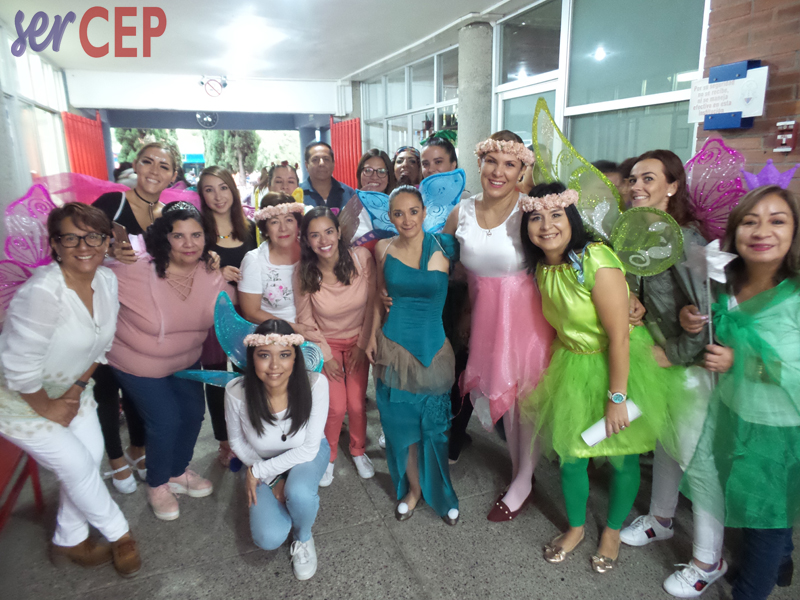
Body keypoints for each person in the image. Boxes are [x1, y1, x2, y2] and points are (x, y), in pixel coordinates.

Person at [518, 182, 684, 572]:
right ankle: (576, 528)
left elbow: (619, 337)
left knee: (623, 458)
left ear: (572, 218)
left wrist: (617, 398)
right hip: (572, 365)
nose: (546, 226)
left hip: (619, 365)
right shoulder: (542, 267)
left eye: (556, 215)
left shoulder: (595, 258)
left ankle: (612, 531)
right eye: (536, 217)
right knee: (572, 457)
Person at [0, 203, 141, 577]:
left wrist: (77, 388)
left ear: (106, 241)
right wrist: (48, 408)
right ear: (55, 244)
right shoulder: (42, 292)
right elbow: (17, 369)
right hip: (17, 400)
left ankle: (70, 538)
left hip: (72, 388)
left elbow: (100, 345)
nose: (84, 246)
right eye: (71, 238)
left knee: (89, 458)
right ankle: (121, 534)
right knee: (77, 464)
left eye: (93, 236)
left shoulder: (106, 281)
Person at [681, 185, 800, 600]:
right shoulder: (729, 284)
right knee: (756, 505)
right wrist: (692, 318)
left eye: (777, 221)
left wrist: (741, 362)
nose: (762, 231)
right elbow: (720, 324)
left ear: (794, 231)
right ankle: (782, 562)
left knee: (766, 519)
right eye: (750, 221)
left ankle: (753, 587)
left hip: (776, 427)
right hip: (732, 412)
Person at [618, 150, 724, 597]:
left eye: (649, 178)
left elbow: (709, 317)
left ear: (673, 186)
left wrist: (676, 353)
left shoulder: (687, 241)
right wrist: (635, 305)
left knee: (697, 461)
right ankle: (661, 519)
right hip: (659, 360)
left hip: (690, 368)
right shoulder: (638, 236)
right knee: (665, 445)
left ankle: (709, 560)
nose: (636, 186)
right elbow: (643, 297)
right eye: (632, 179)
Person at [442, 131, 555, 521]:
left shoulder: (531, 210)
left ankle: (522, 481)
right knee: (506, 401)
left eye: (510, 164)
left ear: (522, 169)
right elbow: (439, 262)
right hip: (486, 322)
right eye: (492, 161)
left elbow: (567, 251)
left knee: (527, 403)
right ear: (480, 162)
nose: (498, 172)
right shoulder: (461, 211)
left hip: (529, 320)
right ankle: (520, 471)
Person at [107, 202, 228, 521]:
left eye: (196, 235)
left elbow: (229, 308)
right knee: (165, 420)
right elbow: (90, 275)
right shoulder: (135, 269)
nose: (189, 243)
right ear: (165, 238)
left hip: (186, 360)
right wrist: (109, 252)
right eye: (179, 236)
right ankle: (158, 482)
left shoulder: (211, 273)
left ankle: (177, 471)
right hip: (137, 363)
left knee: (193, 414)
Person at [366, 186, 460, 525]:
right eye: (398, 213)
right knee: (400, 427)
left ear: (424, 212)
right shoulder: (383, 248)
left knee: (434, 429)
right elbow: (378, 296)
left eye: (413, 211)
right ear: (390, 217)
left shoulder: (446, 246)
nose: (406, 219)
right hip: (393, 349)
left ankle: (442, 493)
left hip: (433, 351)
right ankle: (413, 490)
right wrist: (370, 336)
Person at [91, 141, 181, 493]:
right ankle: (115, 460)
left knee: (137, 384)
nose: (154, 171)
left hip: (141, 314)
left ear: (173, 175)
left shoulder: (168, 215)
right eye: (148, 162)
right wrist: (108, 249)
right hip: (104, 309)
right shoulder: (112, 204)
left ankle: (138, 449)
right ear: (135, 165)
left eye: (163, 166)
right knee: (106, 387)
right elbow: (79, 242)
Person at [225, 320, 330, 581]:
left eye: (284, 355)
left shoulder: (315, 384)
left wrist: (259, 472)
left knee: (299, 492)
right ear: (252, 358)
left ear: (295, 357)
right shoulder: (236, 392)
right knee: (268, 537)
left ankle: (303, 536)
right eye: (264, 355)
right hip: (261, 461)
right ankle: (291, 506)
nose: (274, 365)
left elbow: (309, 448)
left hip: (306, 455)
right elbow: (237, 443)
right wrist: (272, 478)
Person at [294, 207, 376, 486]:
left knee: (357, 404)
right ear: (307, 240)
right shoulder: (304, 271)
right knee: (336, 407)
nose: (324, 240)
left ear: (339, 232)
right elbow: (305, 320)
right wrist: (325, 356)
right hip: (325, 345)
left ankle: (358, 450)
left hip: (358, 343)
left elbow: (372, 304)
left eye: (329, 231)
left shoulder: (361, 259)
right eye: (315, 235)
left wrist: (362, 345)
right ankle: (327, 456)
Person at [198, 166, 258, 466]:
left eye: (223, 187)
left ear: (233, 191)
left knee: (247, 376)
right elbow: (185, 271)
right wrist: (215, 272)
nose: (218, 196)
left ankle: (248, 433)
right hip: (213, 316)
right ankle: (224, 441)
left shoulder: (249, 227)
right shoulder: (199, 231)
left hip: (246, 314)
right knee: (216, 378)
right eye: (209, 189)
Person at [239, 192, 319, 340]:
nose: (283, 228)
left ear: (298, 224)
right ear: (265, 229)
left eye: (289, 220)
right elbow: (251, 313)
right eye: (274, 222)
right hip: (275, 338)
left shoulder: (313, 250)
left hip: (318, 332)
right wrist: (294, 328)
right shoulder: (254, 261)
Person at [300, 142, 355, 212]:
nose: (321, 163)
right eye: (315, 160)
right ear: (306, 165)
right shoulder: (297, 193)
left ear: (333, 164)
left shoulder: (349, 194)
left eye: (326, 159)